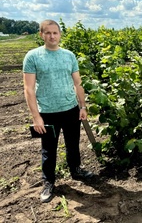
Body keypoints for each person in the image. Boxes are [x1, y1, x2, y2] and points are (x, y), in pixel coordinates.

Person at [23, 20, 93, 203]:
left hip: (70, 109)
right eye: (48, 33)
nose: (52, 36)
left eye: (55, 33)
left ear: (60, 34)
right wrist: (36, 116)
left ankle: (76, 170)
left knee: (73, 144)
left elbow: (77, 83)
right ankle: (49, 182)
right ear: (41, 35)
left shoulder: (69, 56)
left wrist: (82, 106)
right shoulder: (33, 57)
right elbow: (28, 89)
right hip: (47, 113)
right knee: (48, 150)